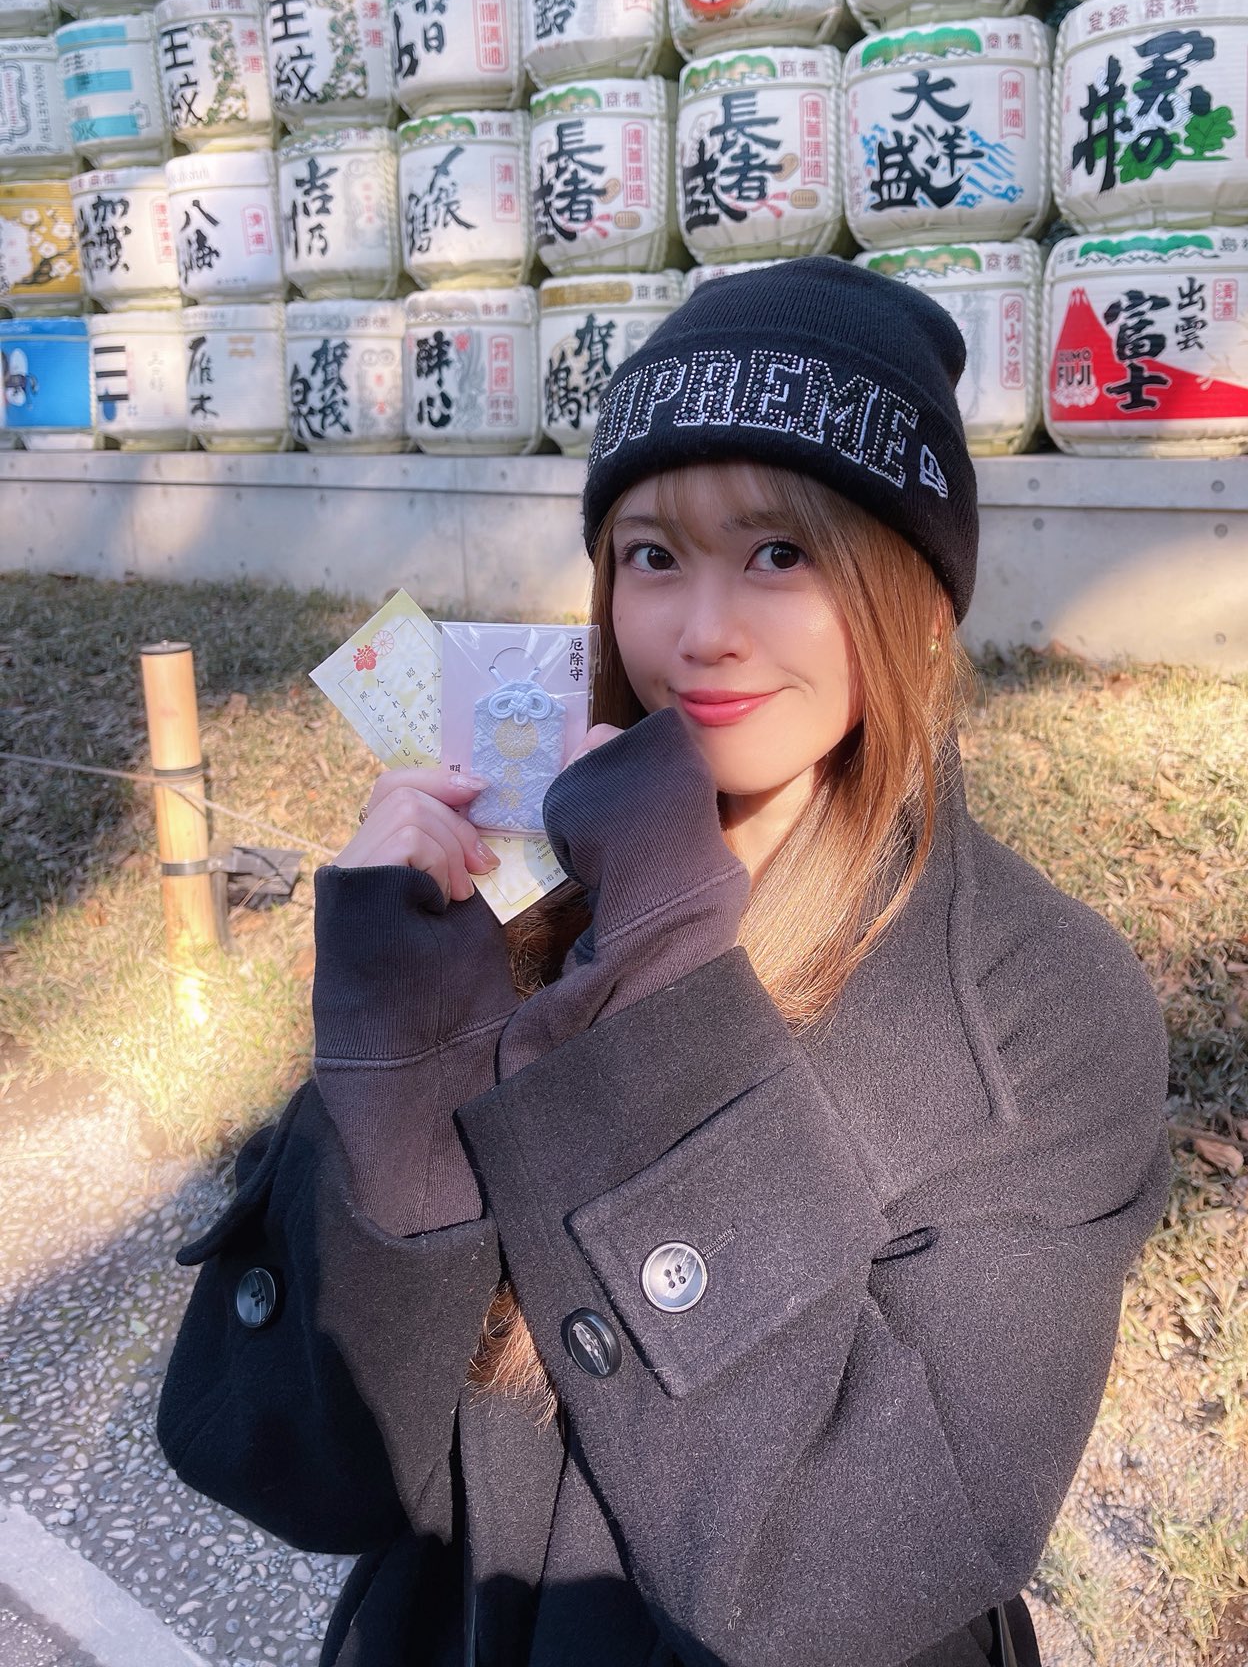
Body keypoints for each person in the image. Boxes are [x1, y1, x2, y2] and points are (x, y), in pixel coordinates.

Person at [158, 259, 1171, 1667]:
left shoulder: (1043, 1010)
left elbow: (846, 1582)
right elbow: (302, 1467)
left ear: (921, 600)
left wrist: (664, 982)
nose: (701, 633)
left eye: (780, 553)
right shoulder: (530, 895)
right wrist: (398, 1048)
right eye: (651, 555)